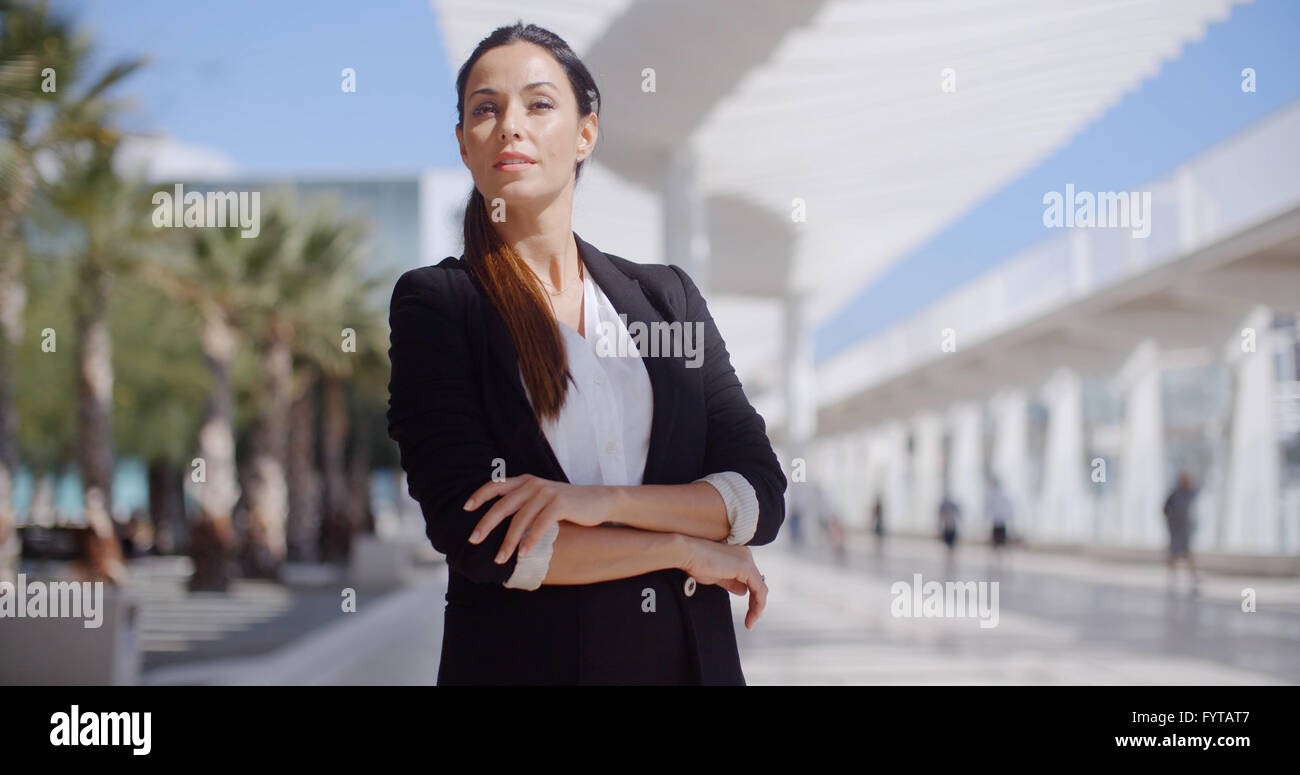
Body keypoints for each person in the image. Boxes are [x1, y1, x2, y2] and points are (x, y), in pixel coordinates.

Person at [386, 22, 786, 685]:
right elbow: (484, 537)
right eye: (486, 109)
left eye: (538, 103)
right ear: (463, 144)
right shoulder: (438, 305)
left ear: (585, 133)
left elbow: (757, 493)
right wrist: (683, 545)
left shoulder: (667, 300)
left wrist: (599, 502)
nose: (510, 124)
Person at [1163, 471, 1201, 594]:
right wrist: (1171, 521)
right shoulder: (1175, 495)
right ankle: (1172, 580)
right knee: (1173, 556)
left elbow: (1199, 490)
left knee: (1188, 555)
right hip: (1176, 530)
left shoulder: (1189, 494)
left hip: (1184, 530)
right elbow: (1165, 509)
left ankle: (1194, 579)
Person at [984, 477, 1012, 568]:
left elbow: (988, 509)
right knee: (1000, 543)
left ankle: (996, 561)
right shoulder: (1004, 495)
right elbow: (1008, 509)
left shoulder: (992, 495)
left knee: (996, 543)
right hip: (1001, 522)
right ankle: (1000, 561)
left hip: (997, 521)